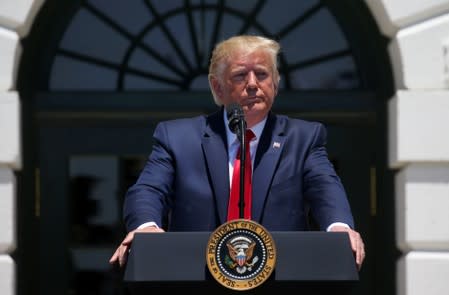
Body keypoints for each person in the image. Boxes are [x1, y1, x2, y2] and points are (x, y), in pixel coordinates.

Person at [109, 35, 365, 270]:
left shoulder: (303, 138)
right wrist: (147, 227)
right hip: (195, 278)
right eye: (241, 75)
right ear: (218, 87)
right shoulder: (177, 138)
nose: (253, 84)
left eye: (262, 74)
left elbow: (324, 187)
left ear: (275, 83)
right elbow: (149, 190)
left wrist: (339, 227)